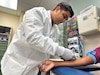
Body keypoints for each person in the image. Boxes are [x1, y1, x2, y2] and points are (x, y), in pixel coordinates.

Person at [1, 2, 75, 75]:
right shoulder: (37, 13)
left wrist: (59, 57)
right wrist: (62, 51)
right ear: (57, 9)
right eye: (64, 16)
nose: (63, 21)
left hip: (34, 69)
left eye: (66, 19)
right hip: (17, 64)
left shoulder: (56, 31)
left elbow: (50, 50)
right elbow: (33, 38)